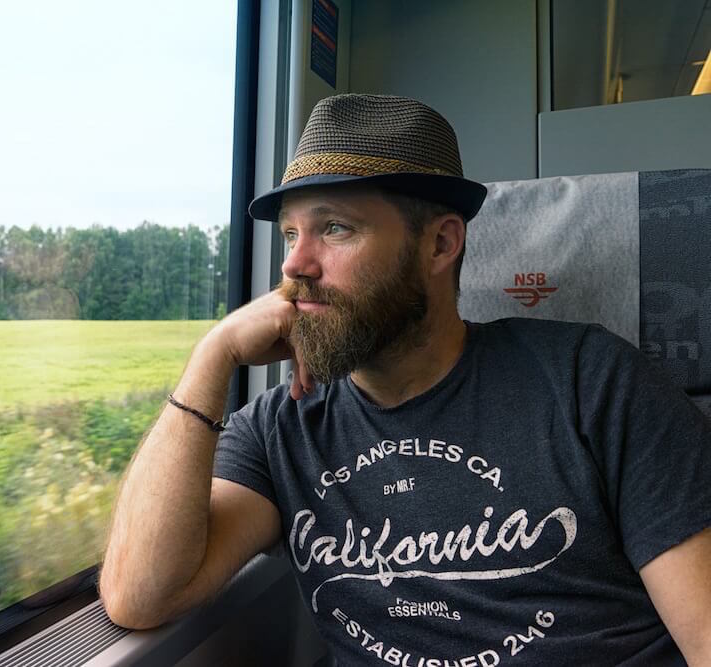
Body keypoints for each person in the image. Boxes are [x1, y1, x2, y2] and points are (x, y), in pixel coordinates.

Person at [100, 94, 711, 665]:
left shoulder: (592, 382)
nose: (293, 263)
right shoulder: (281, 427)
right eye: (290, 232)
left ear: (441, 243)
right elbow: (141, 594)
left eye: (334, 227)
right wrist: (212, 357)